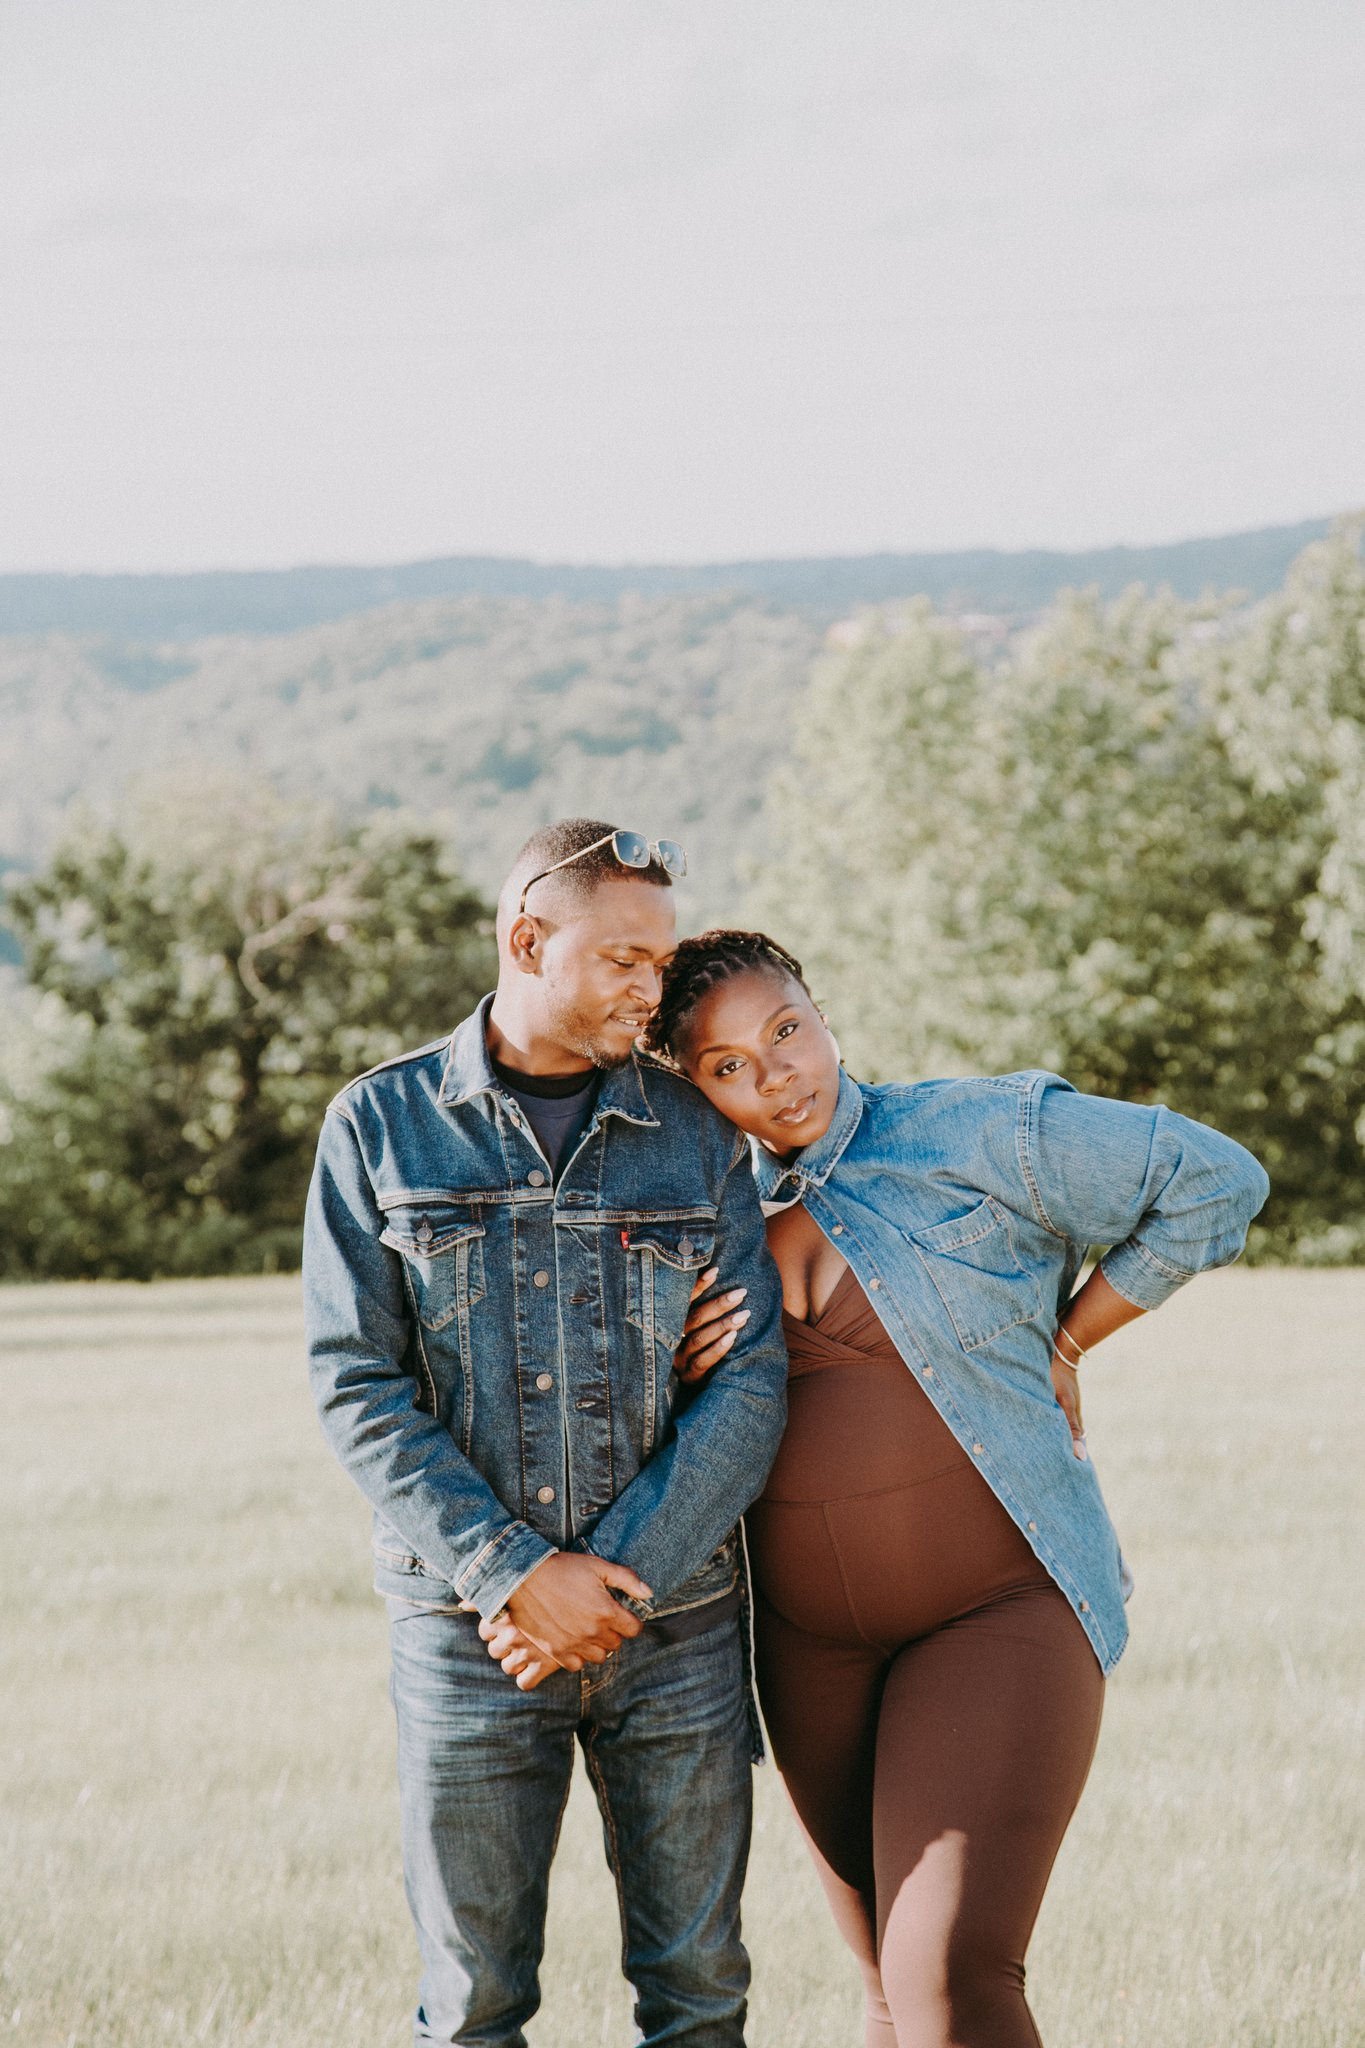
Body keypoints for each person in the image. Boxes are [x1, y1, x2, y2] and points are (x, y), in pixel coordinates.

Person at [646, 929, 1270, 2048]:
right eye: (728, 1064)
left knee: (948, 1978)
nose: (775, 1074)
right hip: (808, 1650)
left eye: (786, 1030)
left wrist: (1070, 1338)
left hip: (996, 1611)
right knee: (888, 1995)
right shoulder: (699, 1220)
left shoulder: (973, 1130)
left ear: (822, 1012)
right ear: (695, 1087)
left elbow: (1214, 1179)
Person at [302, 830, 787, 2048]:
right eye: (624, 958)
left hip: (676, 1629)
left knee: (701, 1998)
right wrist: (514, 1573)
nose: (651, 988)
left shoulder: (698, 1134)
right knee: (472, 2006)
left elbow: (749, 1387)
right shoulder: (381, 1124)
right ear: (527, 939)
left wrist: (610, 1587)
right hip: (468, 1635)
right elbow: (355, 1381)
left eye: (661, 961)